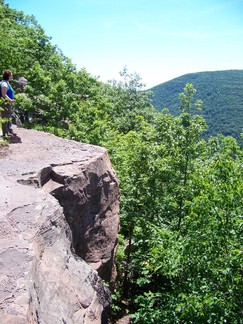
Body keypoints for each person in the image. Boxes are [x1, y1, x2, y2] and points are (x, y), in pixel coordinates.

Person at [0, 69, 16, 138]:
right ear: (8, 76)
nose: (12, 76)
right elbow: (4, 94)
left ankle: (8, 132)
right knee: (5, 117)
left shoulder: (6, 82)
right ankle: (5, 134)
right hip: (5, 103)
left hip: (7, 103)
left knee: (8, 116)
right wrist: (10, 100)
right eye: (11, 75)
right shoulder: (4, 84)